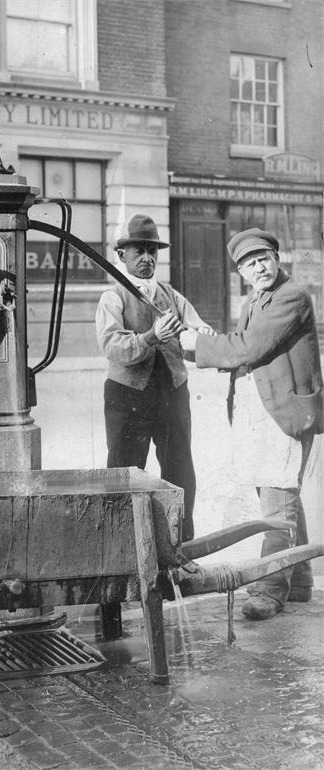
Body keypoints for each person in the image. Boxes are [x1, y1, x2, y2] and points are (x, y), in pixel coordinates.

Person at [181, 227, 324, 619]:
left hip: (286, 411)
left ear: (277, 259)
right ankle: (300, 581)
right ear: (241, 272)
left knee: (278, 497)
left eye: (263, 258)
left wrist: (197, 345)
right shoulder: (254, 301)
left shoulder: (291, 296)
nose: (258, 267)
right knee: (281, 491)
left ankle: (270, 589)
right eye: (248, 263)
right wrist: (203, 344)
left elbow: (249, 347)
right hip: (265, 411)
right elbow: (246, 347)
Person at [96, 213, 213, 542]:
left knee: (180, 474)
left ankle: (180, 549)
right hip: (127, 397)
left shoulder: (170, 294)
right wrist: (150, 336)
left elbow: (194, 332)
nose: (147, 258)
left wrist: (201, 335)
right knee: (125, 476)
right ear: (122, 256)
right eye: (139, 252)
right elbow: (113, 347)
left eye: (152, 252)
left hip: (172, 393)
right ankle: (123, 556)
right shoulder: (113, 297)